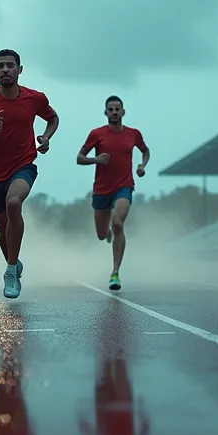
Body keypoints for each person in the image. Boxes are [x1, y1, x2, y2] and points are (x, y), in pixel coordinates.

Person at [0, 49, 59, 299]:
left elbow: (53, 118)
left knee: (14, 203)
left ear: (19, 70)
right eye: (1, 66)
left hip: (24, 165)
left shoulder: (34, 98)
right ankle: (14, 262)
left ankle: (9, 272)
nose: (5, 69)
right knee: (3, 231)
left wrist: (46, 138)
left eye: (10, 65)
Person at [77, 96, 149, 291]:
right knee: (101, 235)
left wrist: (142, 165)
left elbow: (145, 150)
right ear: (106, 113)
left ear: (123, 112)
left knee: (118, 223)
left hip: (124, 186)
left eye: (117, 109)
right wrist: (96, 160)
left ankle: (115, 272)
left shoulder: (133, 134)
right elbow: (79, 158)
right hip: (101, 189)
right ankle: (107, 232)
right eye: (111, 109)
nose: (114, 112)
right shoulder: (97, 134)